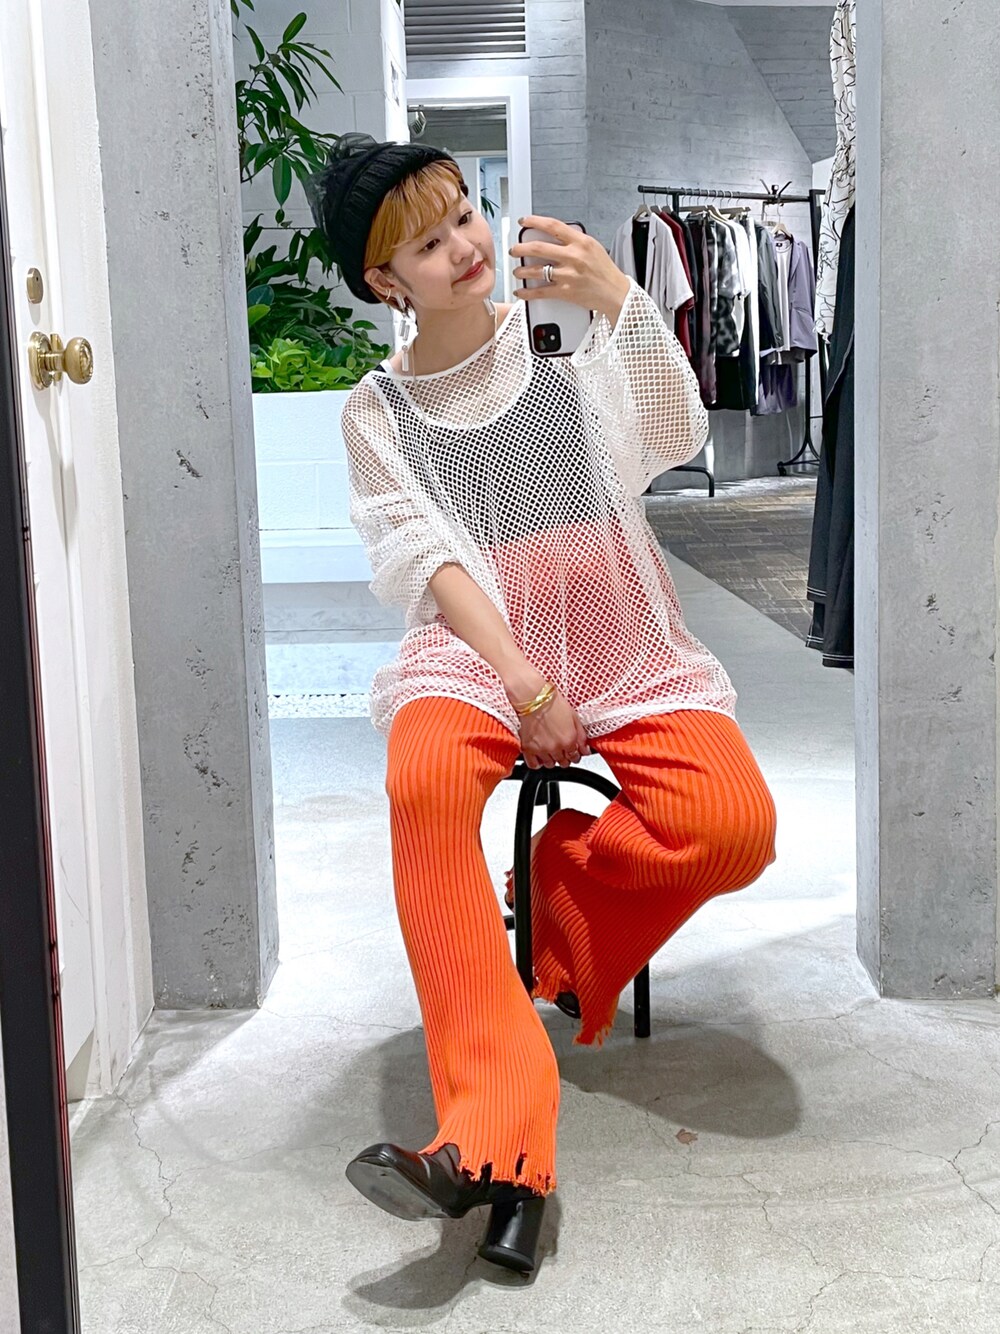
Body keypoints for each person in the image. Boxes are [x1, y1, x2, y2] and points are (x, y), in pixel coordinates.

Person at [305, 134, 777, 1275]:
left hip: (619, 624)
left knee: (733, 825)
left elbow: (672, 435)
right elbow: (426, 556)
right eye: (427, 243)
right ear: (383, 279)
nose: (464, 247)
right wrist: (521, 678)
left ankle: (561, 890)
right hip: (478, 644)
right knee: (422, 779)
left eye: (464, 216)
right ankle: (494, 1135)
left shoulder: (561, 339)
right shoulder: (377, 411)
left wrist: (619, 300)